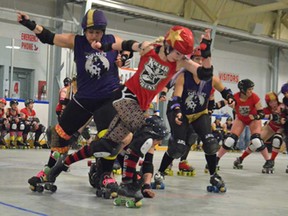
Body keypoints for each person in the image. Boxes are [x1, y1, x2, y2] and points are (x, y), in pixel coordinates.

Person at [47, 26, 214, 205]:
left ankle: (60, 167)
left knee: (107, 146)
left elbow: (205, 74)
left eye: (183, 54)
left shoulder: (180, 63)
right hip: (125, 98)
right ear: (167, 44)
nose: (179, 57)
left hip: (138, 107)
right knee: (152, 129)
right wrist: (102, 47)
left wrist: (206, 49)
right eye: (178, 53)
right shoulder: (149, 48)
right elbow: (124, 44)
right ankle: (128, 183)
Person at [17, 9, 132, 191]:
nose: (94, 36)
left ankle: (106, 175)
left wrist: (123, 57)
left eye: (98, 32)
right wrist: (29, 24)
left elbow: (127, 46)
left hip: (107, 99)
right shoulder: (77, 42)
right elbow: (49, 37)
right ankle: (49, 170)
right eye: (91, 32)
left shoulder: (111, 40)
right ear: (84, 31)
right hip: (84, 99)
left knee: (110, 137)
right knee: (60, 133)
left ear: (103, 31)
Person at [216, 79, 271, 171]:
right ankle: (216, 159)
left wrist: (256, 116)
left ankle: (268, 161)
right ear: (243, 90)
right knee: (230, 140)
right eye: (249, 89)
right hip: (241, 120)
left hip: (253, 119)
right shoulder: (235, 97)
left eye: (252, 89)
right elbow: (223, 102)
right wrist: (211, 106)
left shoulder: (254, 97)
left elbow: (261, 113)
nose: (251, 91)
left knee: (256, 140)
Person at [238, 92, 286, 173]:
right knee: (256, 143)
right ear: (268, 103)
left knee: (277, 140)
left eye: (274, 101)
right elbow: (259, 113)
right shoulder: (267, 109)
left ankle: (271, 161)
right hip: (271, 126)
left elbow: (275, 117)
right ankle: (240, 158)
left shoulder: (282, 106)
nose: (273, 103)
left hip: (282, 128)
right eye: (271, 102)